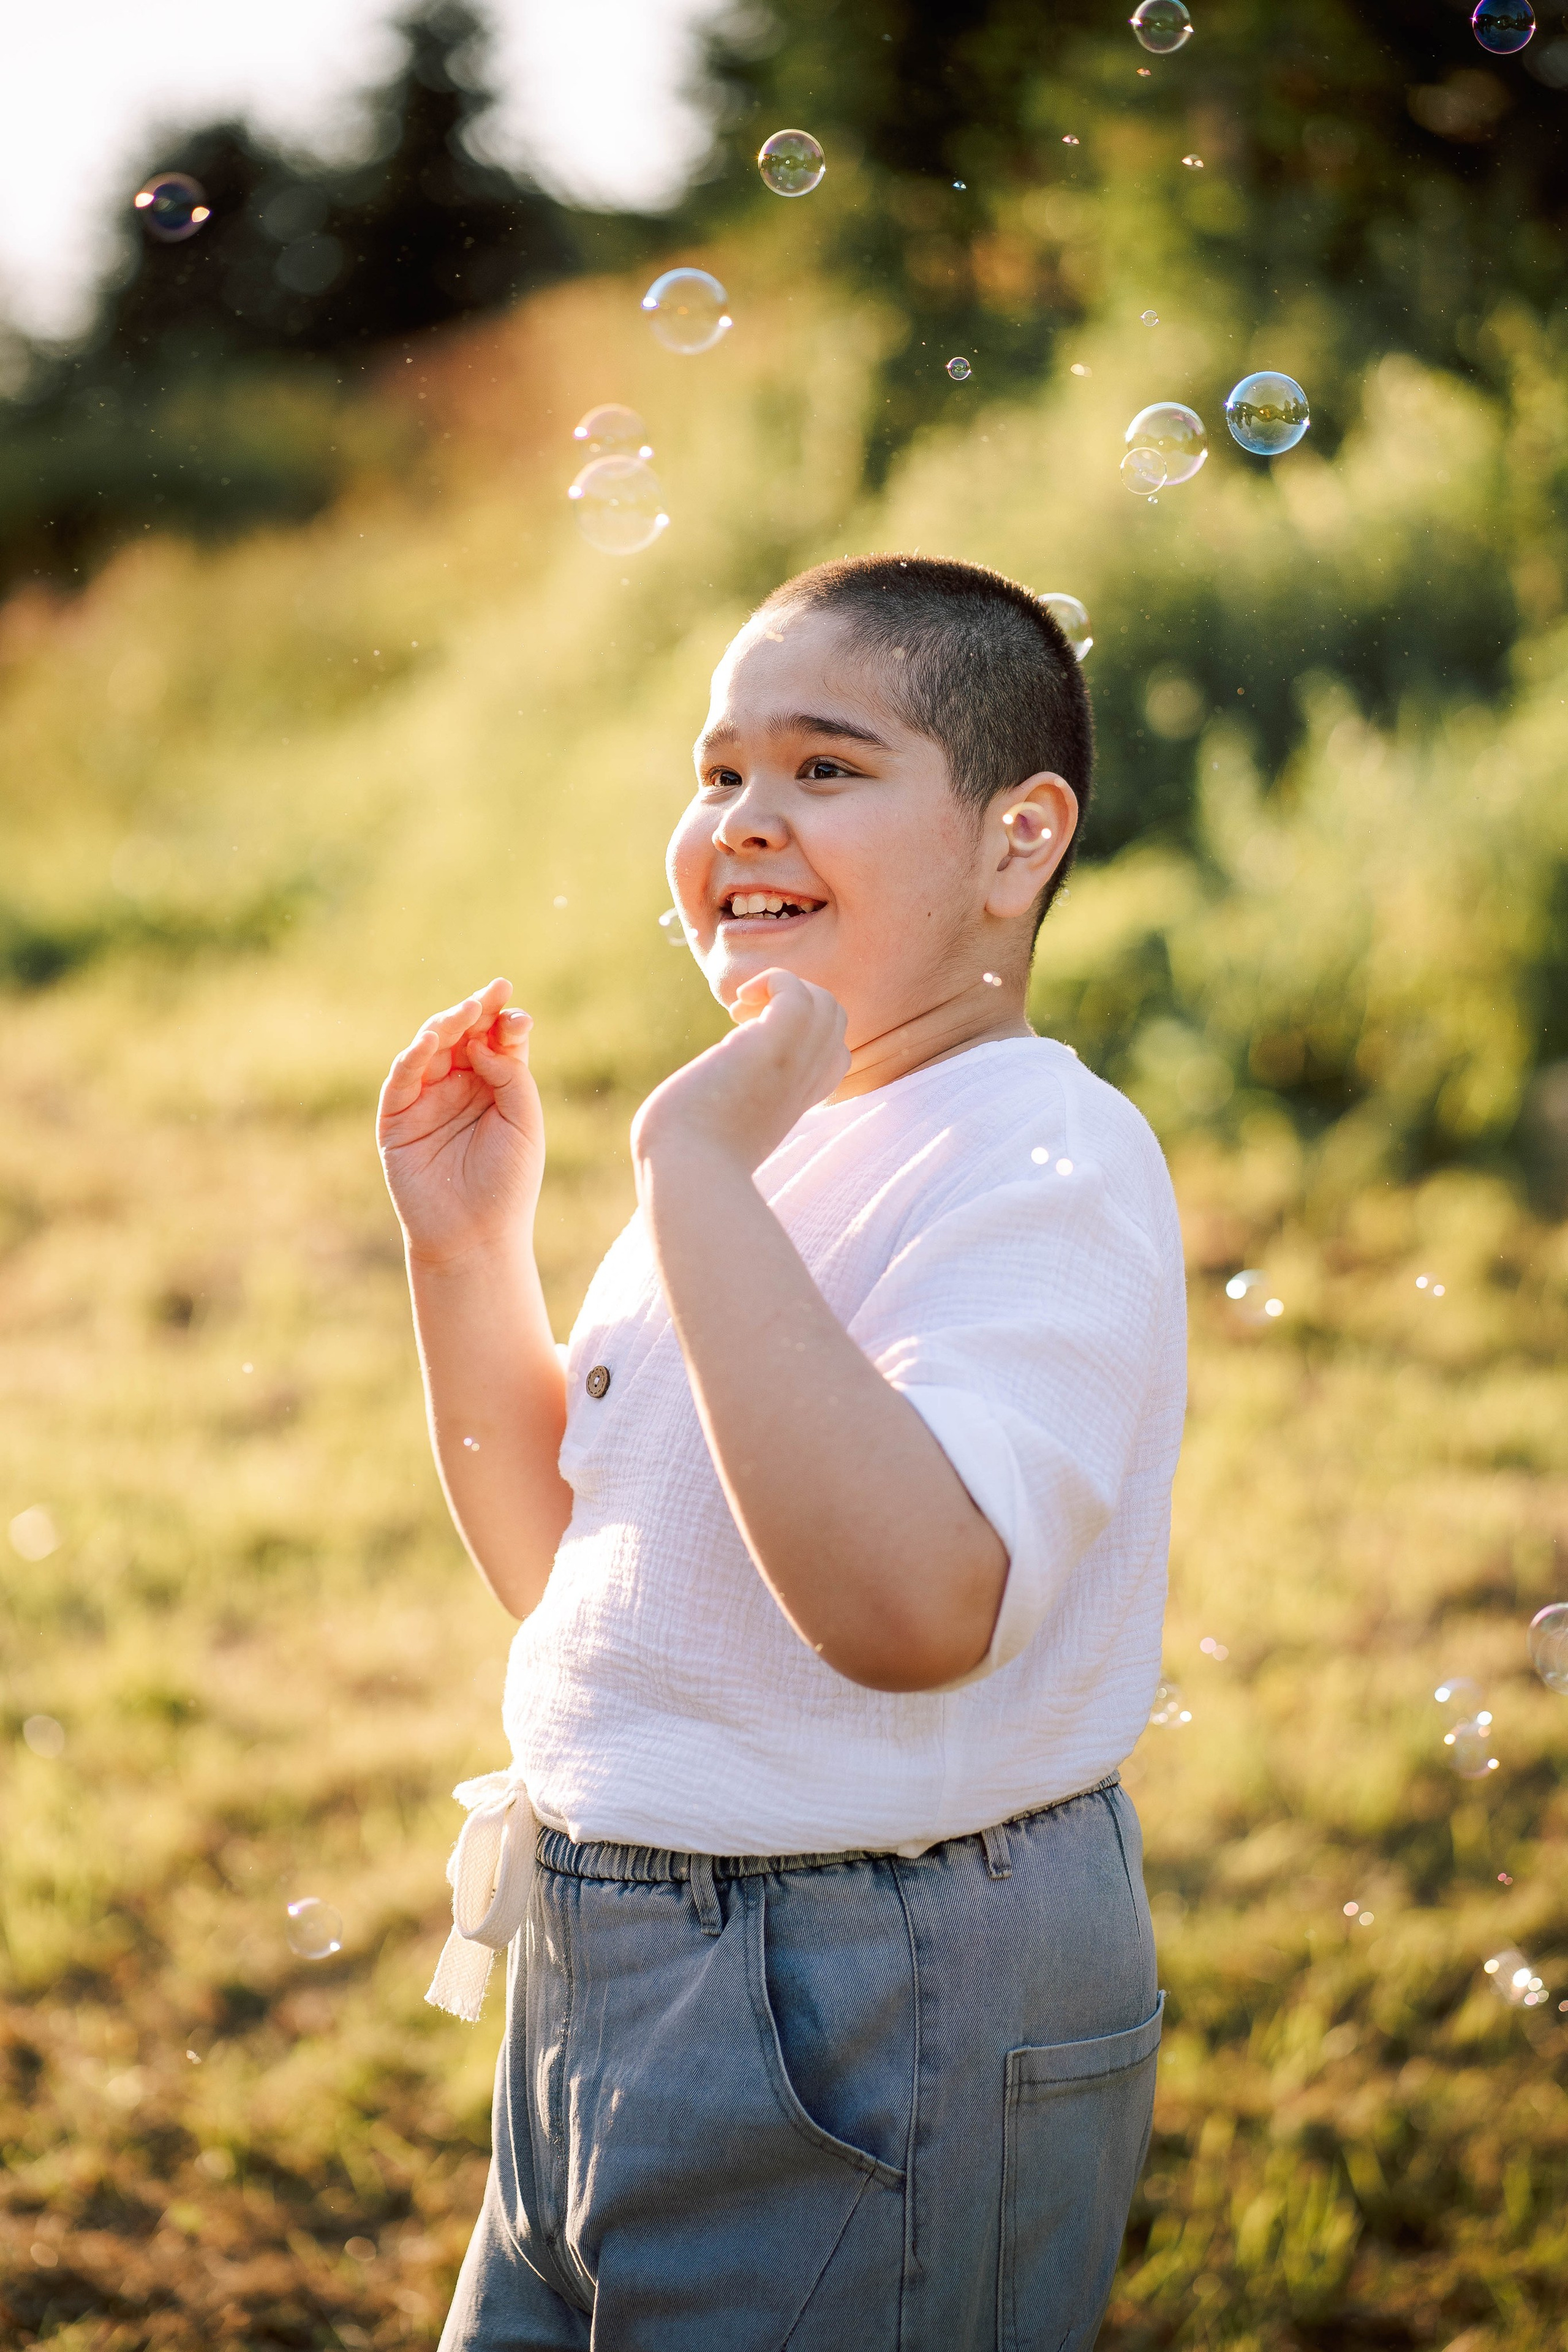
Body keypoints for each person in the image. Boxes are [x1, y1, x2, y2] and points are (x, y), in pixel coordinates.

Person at [377, 554, 1186, 2350]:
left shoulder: (1039, 1152)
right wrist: (467, 1250)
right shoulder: (772, 1149)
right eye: (720, 770)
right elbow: (576, 1578)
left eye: (825, 767)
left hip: (869, 1993)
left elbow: (909, 1609)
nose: (746, 815)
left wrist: (691, 1176)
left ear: (1017, 842)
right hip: (606, 1980)